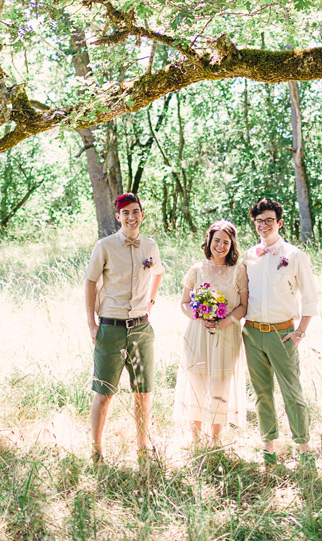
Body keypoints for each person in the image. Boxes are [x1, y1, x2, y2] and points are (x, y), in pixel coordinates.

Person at [84, 193, 163, 464]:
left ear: (142, 215)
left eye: (136, 211)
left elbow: (158, 273)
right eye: (126, 212)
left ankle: (143, 448)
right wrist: (91, 323)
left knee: (143, 393)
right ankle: (96, 450)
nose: (131, 217)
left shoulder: (150, 246)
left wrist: (150, 301)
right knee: (104, 393)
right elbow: (90, 282)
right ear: (118, 216)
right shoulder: (105, 246)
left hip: (141, 329)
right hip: (111, 328)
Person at [242, 197, 318, 465]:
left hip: (282, 333)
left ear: (279, 222)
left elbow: (310, 298)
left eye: (269, 220)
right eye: (259, 221)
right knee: (261, 393)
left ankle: (304, 449)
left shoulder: (295, 256)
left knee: (291, 391)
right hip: (252, 333)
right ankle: (268, 447)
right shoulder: (249, 256)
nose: (264, 225)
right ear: (255, 224)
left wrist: (300, 332)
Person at [173, 220, 249, 445]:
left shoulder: (239, 270)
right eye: (217, 240)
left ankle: (216, 439)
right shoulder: (197, 269)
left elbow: (243, 306)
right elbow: (185, 303)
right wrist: (200, 316)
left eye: (226, 242)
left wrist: (223, 322)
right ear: (209, 241)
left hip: (226, 334)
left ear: (232, 245)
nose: (221, 246)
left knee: (220, 384)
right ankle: (196, 439)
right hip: (198, 333)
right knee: (197, 382)